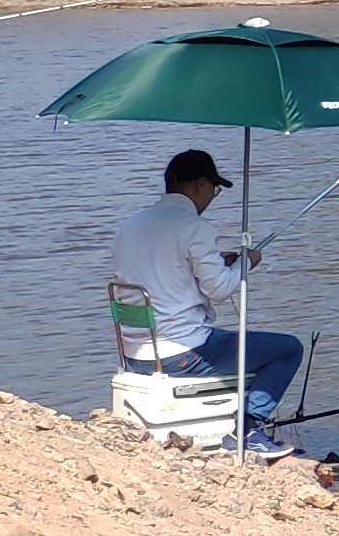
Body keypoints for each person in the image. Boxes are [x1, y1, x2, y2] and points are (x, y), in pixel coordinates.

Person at [109, 148, 302, 451]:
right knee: (288, 349)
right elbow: (221, 290)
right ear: (200, 183)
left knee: (231, 340)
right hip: (182, 355)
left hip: (135, 354)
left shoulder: (129, 226)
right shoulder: (195, 227)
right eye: (214, 189)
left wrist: (219, 261)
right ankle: (248, 430)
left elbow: (166, 274)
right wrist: (247, 262)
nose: (212, 196)